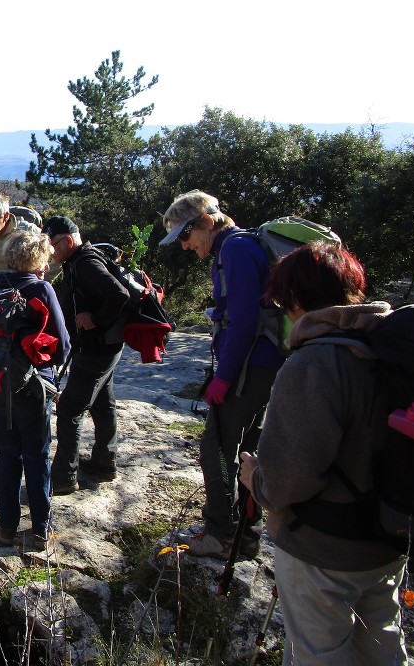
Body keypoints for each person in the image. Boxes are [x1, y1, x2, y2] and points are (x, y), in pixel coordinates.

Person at [240, 242, 407, 665]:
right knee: (383, 647)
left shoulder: (315, 363)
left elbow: (286, 482)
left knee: (318, 654)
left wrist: (254, 479)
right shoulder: (390, 350)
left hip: (323, 548)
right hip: (387, 536)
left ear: (294, 299)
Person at [159, 190, 285, 558]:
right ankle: (245, 534)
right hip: (263, 365)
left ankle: (220, 532)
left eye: (186, 235)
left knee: (215, 446)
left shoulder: (234, 250)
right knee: (248, 451)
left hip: (250, 368)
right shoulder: (242, 246)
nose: (185, 246)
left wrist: (224, 378)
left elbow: (244, 320)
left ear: (207, 223)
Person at [0, 230, 71, 550]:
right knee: (36, 455)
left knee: (7, 454)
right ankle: (40, 531)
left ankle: (6, 529)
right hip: (33, 386)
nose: (48, 264)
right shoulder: (41, 289)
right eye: (45, 257)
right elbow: (62, 344)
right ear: (36, 258)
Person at [44, 216, 129, 492]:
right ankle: (105, 462)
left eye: (53, 245)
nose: (51, 252)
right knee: (103, 404)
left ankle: (63, 478)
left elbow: (119, 294)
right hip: (103, 346)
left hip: (96, 347)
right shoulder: (80, 259)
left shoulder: (86, 262)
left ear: (67, 240)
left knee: (69, 408)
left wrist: (96, 318)